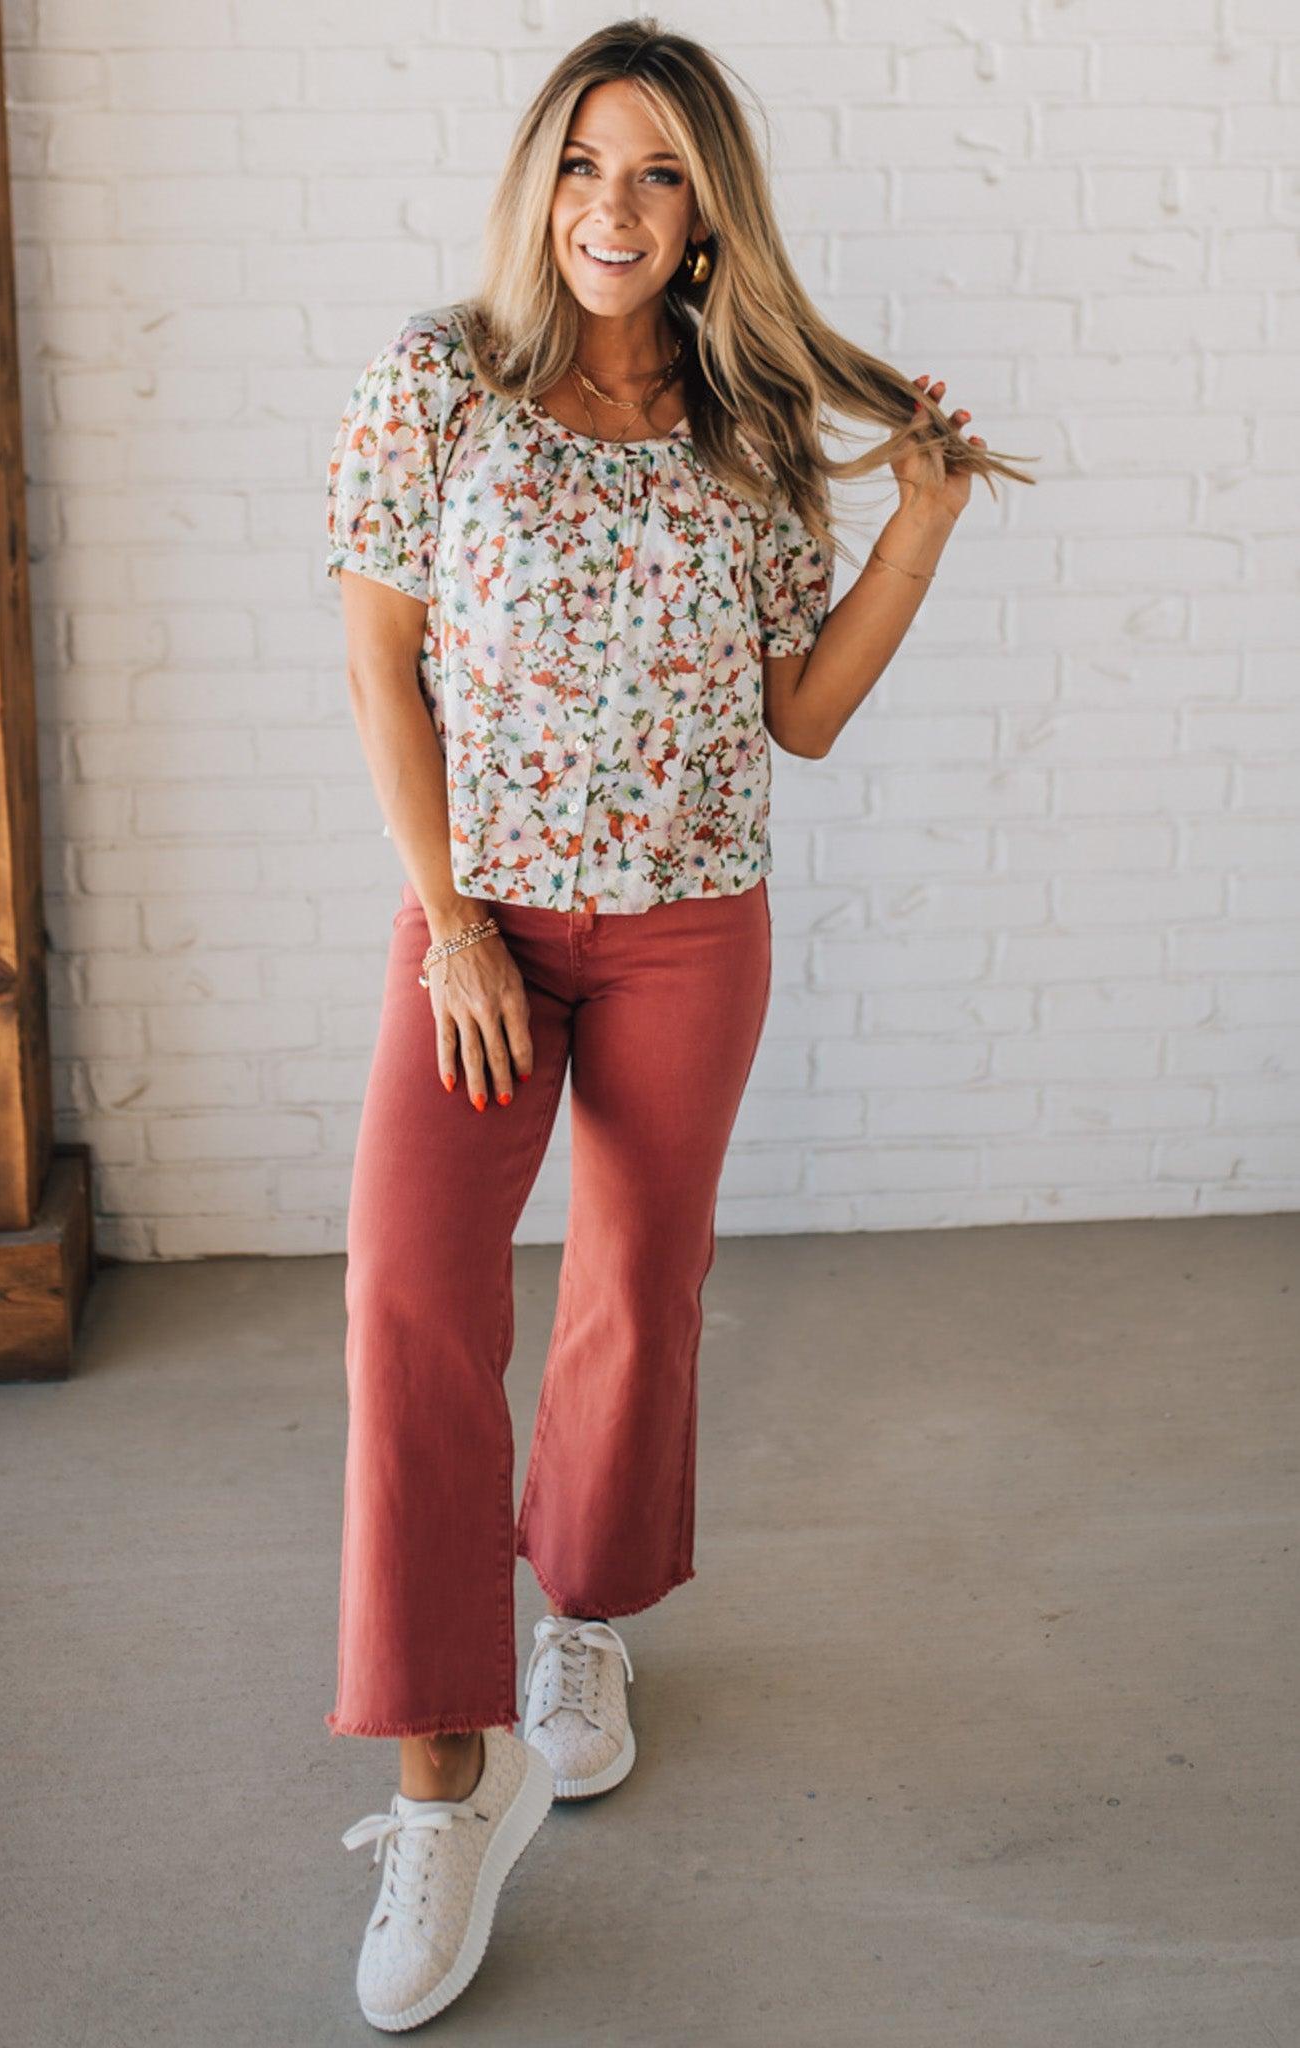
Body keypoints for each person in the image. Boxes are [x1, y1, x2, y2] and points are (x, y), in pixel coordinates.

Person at [321, 15, 1033, 2032]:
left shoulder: (732, 436)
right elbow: (378, 659)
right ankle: (439, 1780)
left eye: (652, 173)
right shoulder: (437, 380)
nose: (608, 209)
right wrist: (448, 916)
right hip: (482, 937)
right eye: (579, 165)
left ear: (704, 207)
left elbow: (796, 716)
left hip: (685, 932)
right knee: (408, 1299)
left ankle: (587, 1621)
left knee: (638, 1284)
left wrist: (916, 522)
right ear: (535, 183)